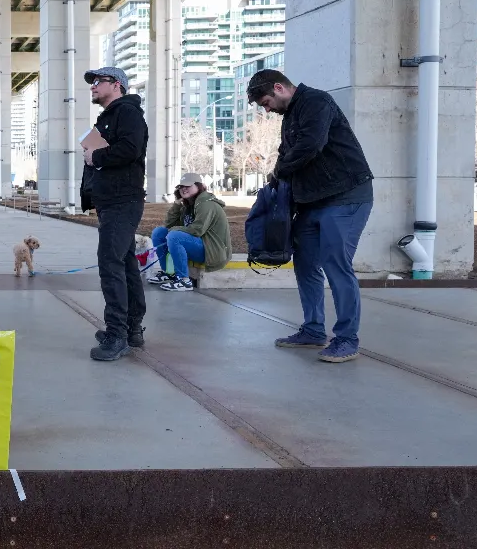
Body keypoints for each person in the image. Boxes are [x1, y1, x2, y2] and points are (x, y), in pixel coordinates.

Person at [248, 69, 374, 363]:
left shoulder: (317, 101)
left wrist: (280, 170)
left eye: (266, 102)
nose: (267, 110)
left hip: (346, 196)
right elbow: (286, 152)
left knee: (335, 264)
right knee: (304, 263)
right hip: (312, 201)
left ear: (279, 88)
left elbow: (310, 146)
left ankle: (346, 339)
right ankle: (314, 330)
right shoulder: (290, 115)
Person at [79, 66, 148, 362]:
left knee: (110, 264)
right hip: (112, 201)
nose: (93, 87)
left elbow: (131, 149)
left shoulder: (128, 113)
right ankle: (131, 328)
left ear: (116, 84)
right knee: (125, 263)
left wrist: (96, 156)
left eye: (98, 82)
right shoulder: (110, 115)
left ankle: (116, 334)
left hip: (122, 201)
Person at [150, 172, 232, 292]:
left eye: (188, 186)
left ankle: (183, 280)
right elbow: (169, 226)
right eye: (181, 186)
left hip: (213, 251)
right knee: (159, 232)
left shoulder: (206, 204)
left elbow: (197, 230)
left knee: (174, 236)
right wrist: (177, 205)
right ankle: (168, 273)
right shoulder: (188, 205)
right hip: (199, 245)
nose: (183, 189)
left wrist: (174, 230)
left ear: (199, 186)